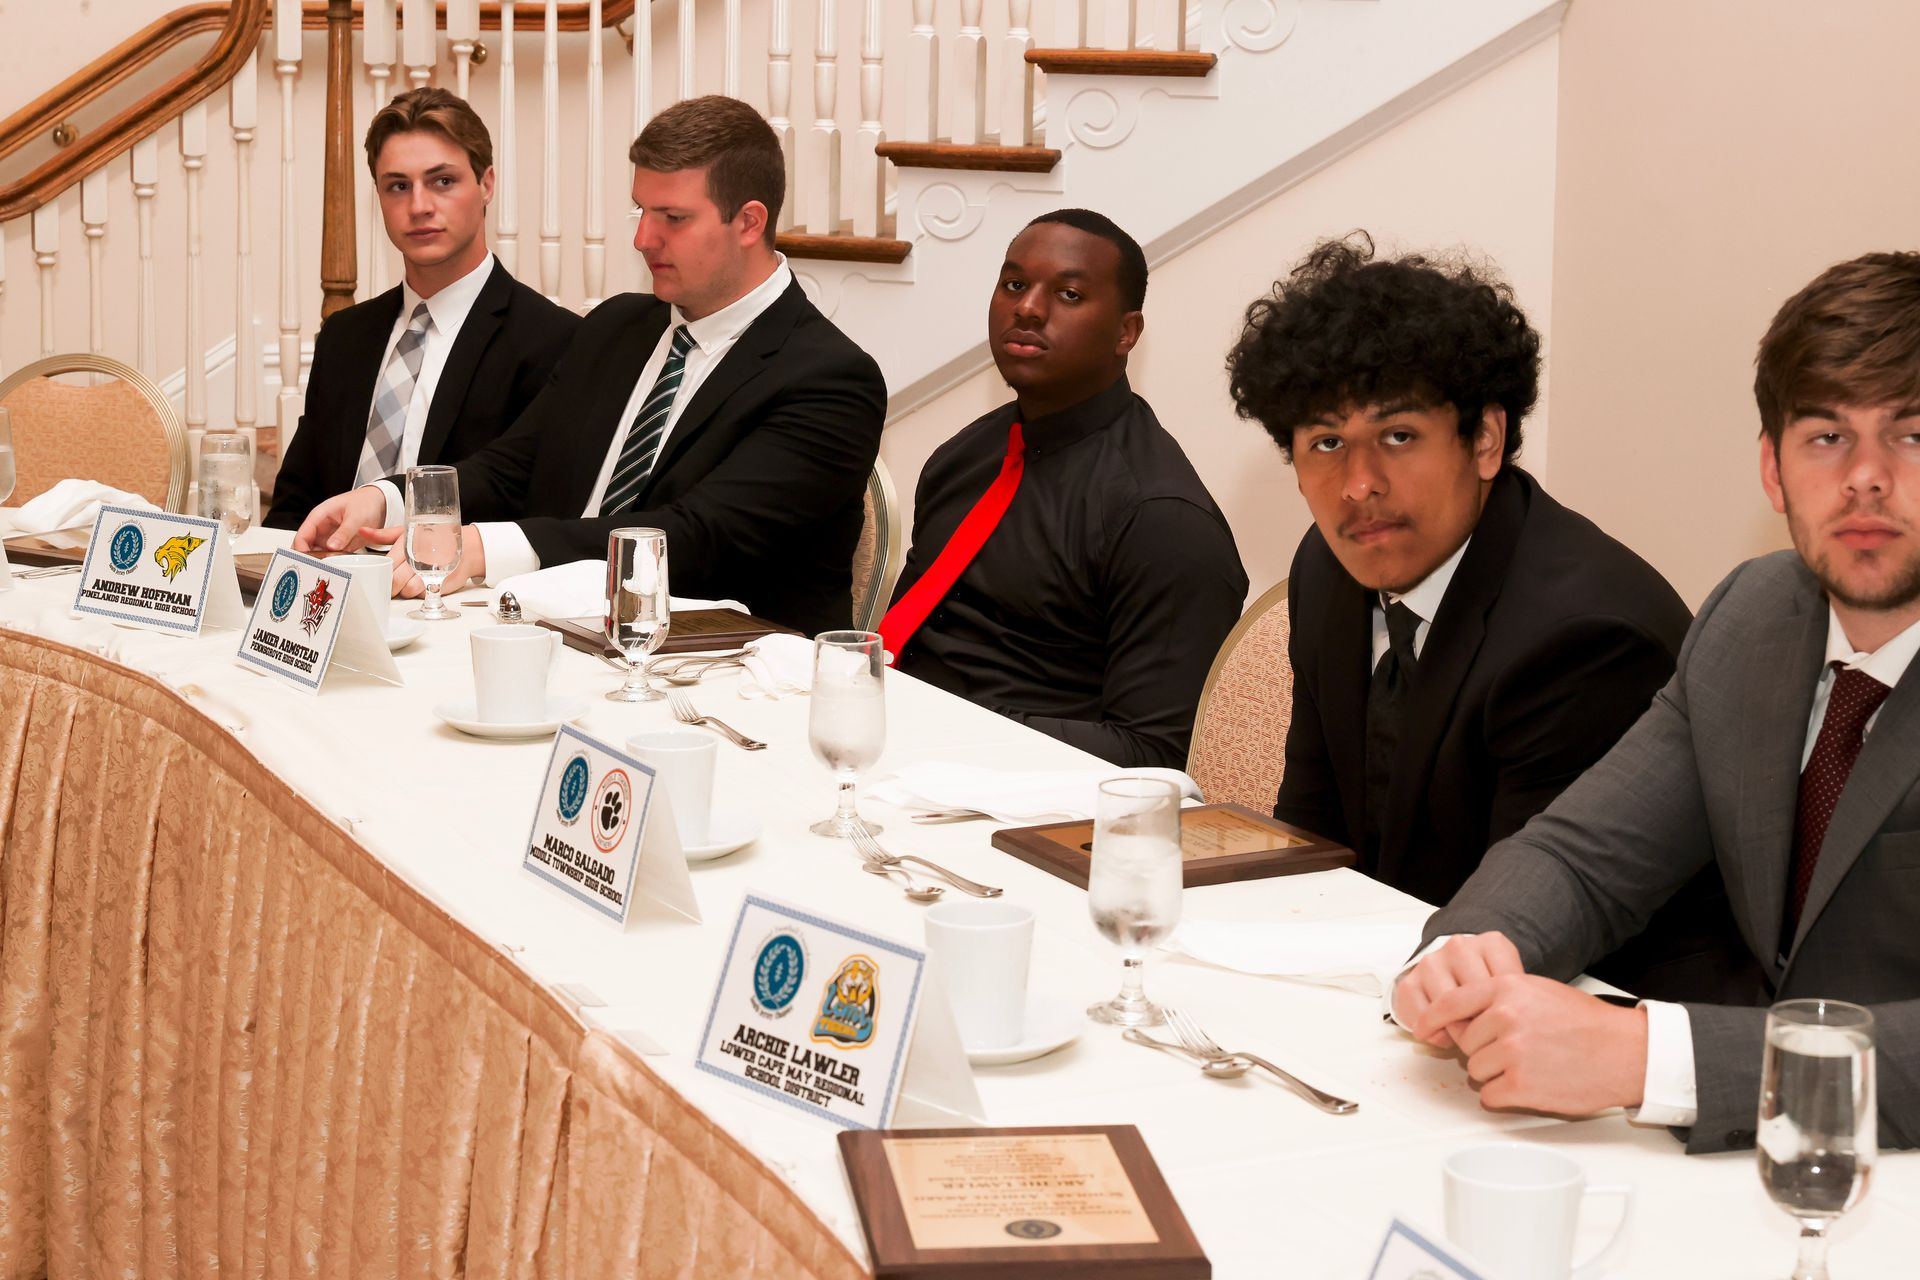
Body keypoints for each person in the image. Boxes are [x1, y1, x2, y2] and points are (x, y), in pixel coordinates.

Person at [1392, 250, 1920, 1154]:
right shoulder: (1755, 616)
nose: (1864, 476)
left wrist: (1653, 1057)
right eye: (1826, 436)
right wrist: (1468, 952)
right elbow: (1584, 855)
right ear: (1772, 469)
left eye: (1913, 433)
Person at [1225, 234, 1739, 1000]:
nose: (1358, 484)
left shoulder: (1586, 637)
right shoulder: (1328, 569)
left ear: (1487, 439)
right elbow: (1313, 830)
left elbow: (1531, 922)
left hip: (1586, 1011)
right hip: (1405, 972)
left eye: (1398, 437)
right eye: (1326, 442)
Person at [294, 95, 886, 637]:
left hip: (719, 679)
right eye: (640, 211)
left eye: (672, 218)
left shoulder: (829, 378)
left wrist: (482, 546)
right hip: (551, 637)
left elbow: (698, 538)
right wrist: (386, 498)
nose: (643, 239)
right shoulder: (618, 328)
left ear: (750, 222)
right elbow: (512, 466)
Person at [881, 210, 1246, 768]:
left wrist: (944, 726)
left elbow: (1153, 752)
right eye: (1015, 284)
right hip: (894, 750)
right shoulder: (965, 455)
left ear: (1127, 332)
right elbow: (909, 638)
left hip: (1025, 801)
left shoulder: (1161, 518)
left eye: (1070, 294)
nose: (1027, 307)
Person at [264, 88, 577, 530]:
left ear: (486, 185)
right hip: (331, 584)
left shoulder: (553, 340)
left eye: (443, 181)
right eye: (398, 186)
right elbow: (294, 506)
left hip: (455, 590)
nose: (419, 206)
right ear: (379, 197)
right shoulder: (345, 335)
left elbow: (522, 496)